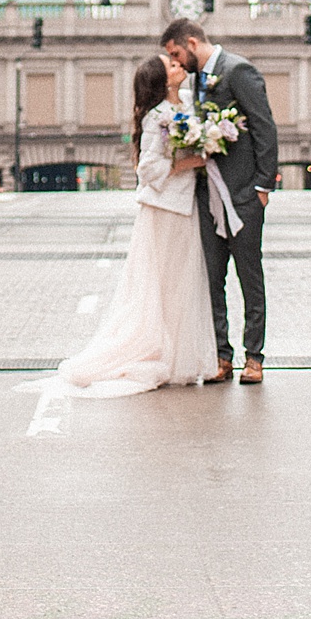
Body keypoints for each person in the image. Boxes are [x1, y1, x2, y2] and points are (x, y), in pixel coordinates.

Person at [52, 55, 216, 396]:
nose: (178, 65)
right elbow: (148, 169)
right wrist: (188, 162)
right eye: (170, 65)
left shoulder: (189, 102)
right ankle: (157, 353)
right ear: (163, 80)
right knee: (161, 283)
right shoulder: (157, 117)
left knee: (182, 283)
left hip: (186, 207)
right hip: (163, 209)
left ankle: (177, 357)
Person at [160, 15, 280, 384]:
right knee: (212, 278)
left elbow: (264, 126)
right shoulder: (193, 82)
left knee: (249, 278)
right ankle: (220, 357)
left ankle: (254, 357)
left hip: (243, 195)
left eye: (176, 53)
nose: (176, 62)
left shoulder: (238, 71)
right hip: (206, 196)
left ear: (193, 43)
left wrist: (262, 187)